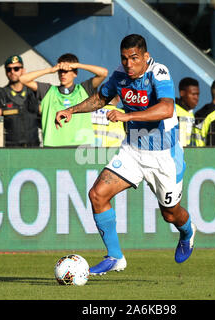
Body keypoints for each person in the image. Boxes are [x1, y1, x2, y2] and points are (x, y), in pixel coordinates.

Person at [55, 34, 196, 275]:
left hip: (164, 156)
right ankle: (115, 256)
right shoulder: (120, 75)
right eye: (124, 58)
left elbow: (166, 108)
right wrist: (71, 110)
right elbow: (101, 98)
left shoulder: (158, 73)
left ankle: (188, 231)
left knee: (170, 214)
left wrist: (126, 116)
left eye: (134, 58)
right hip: (133, 151)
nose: (128, 64)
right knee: (97, 194)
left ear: (145, 57)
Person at [19, 53, 108, 147]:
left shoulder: (84, 89)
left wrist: (77, 65)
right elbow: (22, 79)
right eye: (60, 71)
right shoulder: (48, 90)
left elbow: (103, 73)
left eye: (66, 71)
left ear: (75, 73)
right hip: (53, 146)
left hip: (81, 146)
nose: (62, 74)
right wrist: (50, 70)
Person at [0, 55, 40, 147]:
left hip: (33, 148)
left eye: (16, 68)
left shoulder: (34, 93)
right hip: (11, 150)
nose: (12, 72)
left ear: (23, 70)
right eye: (9, 69)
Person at [175, 77, 199, 147]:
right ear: (182, 93)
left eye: (198, 94)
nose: (196, 98)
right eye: (193, 94)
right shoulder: (173, 110)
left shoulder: (190, 112)